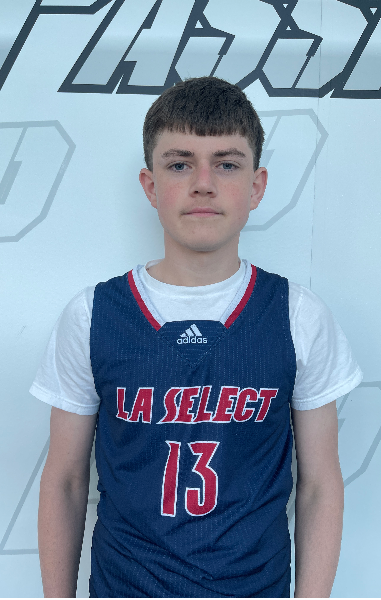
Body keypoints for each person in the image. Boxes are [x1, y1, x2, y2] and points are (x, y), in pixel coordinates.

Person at [31, 77, 363, 598]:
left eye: (226, 164)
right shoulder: (92, 315)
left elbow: (320, 484)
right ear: (150, 185)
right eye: (180, 164)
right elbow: (66, 481)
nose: (203, 184)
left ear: (256, 186)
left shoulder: (298, 315)